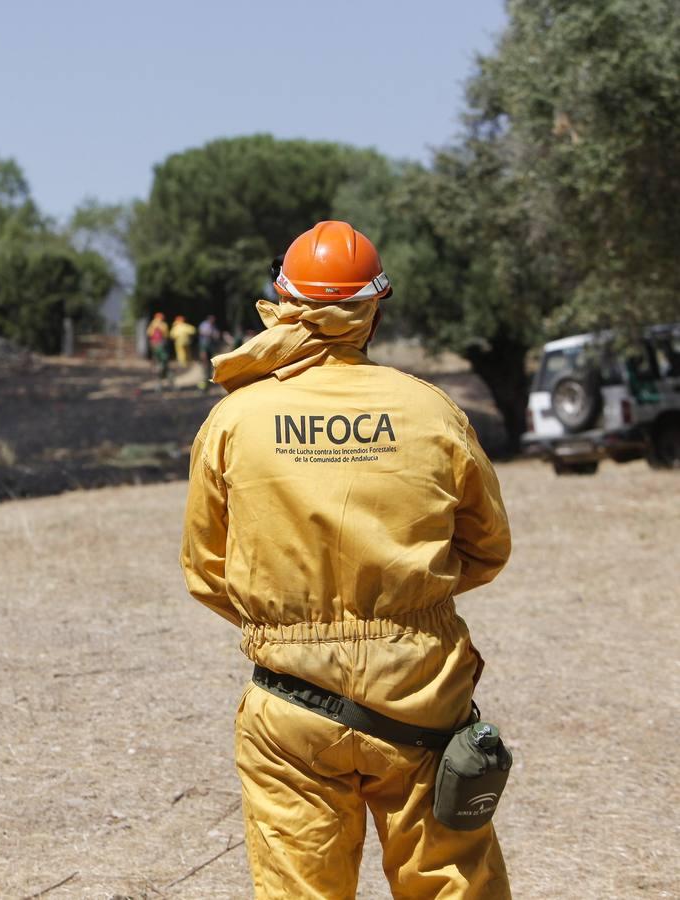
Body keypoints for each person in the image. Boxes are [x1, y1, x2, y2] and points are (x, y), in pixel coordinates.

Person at [181, 221, 512, 898]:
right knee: (452, 884)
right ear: (374, 309)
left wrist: (286, 621)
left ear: (284, 302)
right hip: (422, 695)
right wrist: (407, 604)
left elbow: (206, 567)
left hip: (289, 704)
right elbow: (487, 547)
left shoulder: (235, 419)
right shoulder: (431, 410)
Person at [147, 312, 171, 385]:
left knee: (155, 356)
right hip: (160, 343)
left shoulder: (152, 324)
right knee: (164, 357)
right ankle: (162, 370)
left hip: (154, 343)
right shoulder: (163, 324)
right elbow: (166, 334)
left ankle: (155, 369)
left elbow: (149, 333)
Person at [197, 314, 221, 386]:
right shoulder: (204, 325)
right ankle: (204, 377)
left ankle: (209, 377)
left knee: (210, 361)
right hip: (204, 345)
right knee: (204, 361)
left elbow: (216, 335)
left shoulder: (213, 326)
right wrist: (211, 334)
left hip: (210, 346)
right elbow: (202, 332)